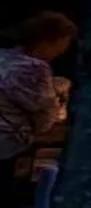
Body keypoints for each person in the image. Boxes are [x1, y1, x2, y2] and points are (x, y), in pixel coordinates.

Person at [0, 11, 76, 165]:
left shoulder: (4, 56)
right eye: (62, 44)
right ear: (48, 42)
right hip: (7, 141)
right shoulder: (33, 68)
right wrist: (58, 100)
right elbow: (45, 117)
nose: (62, 52)